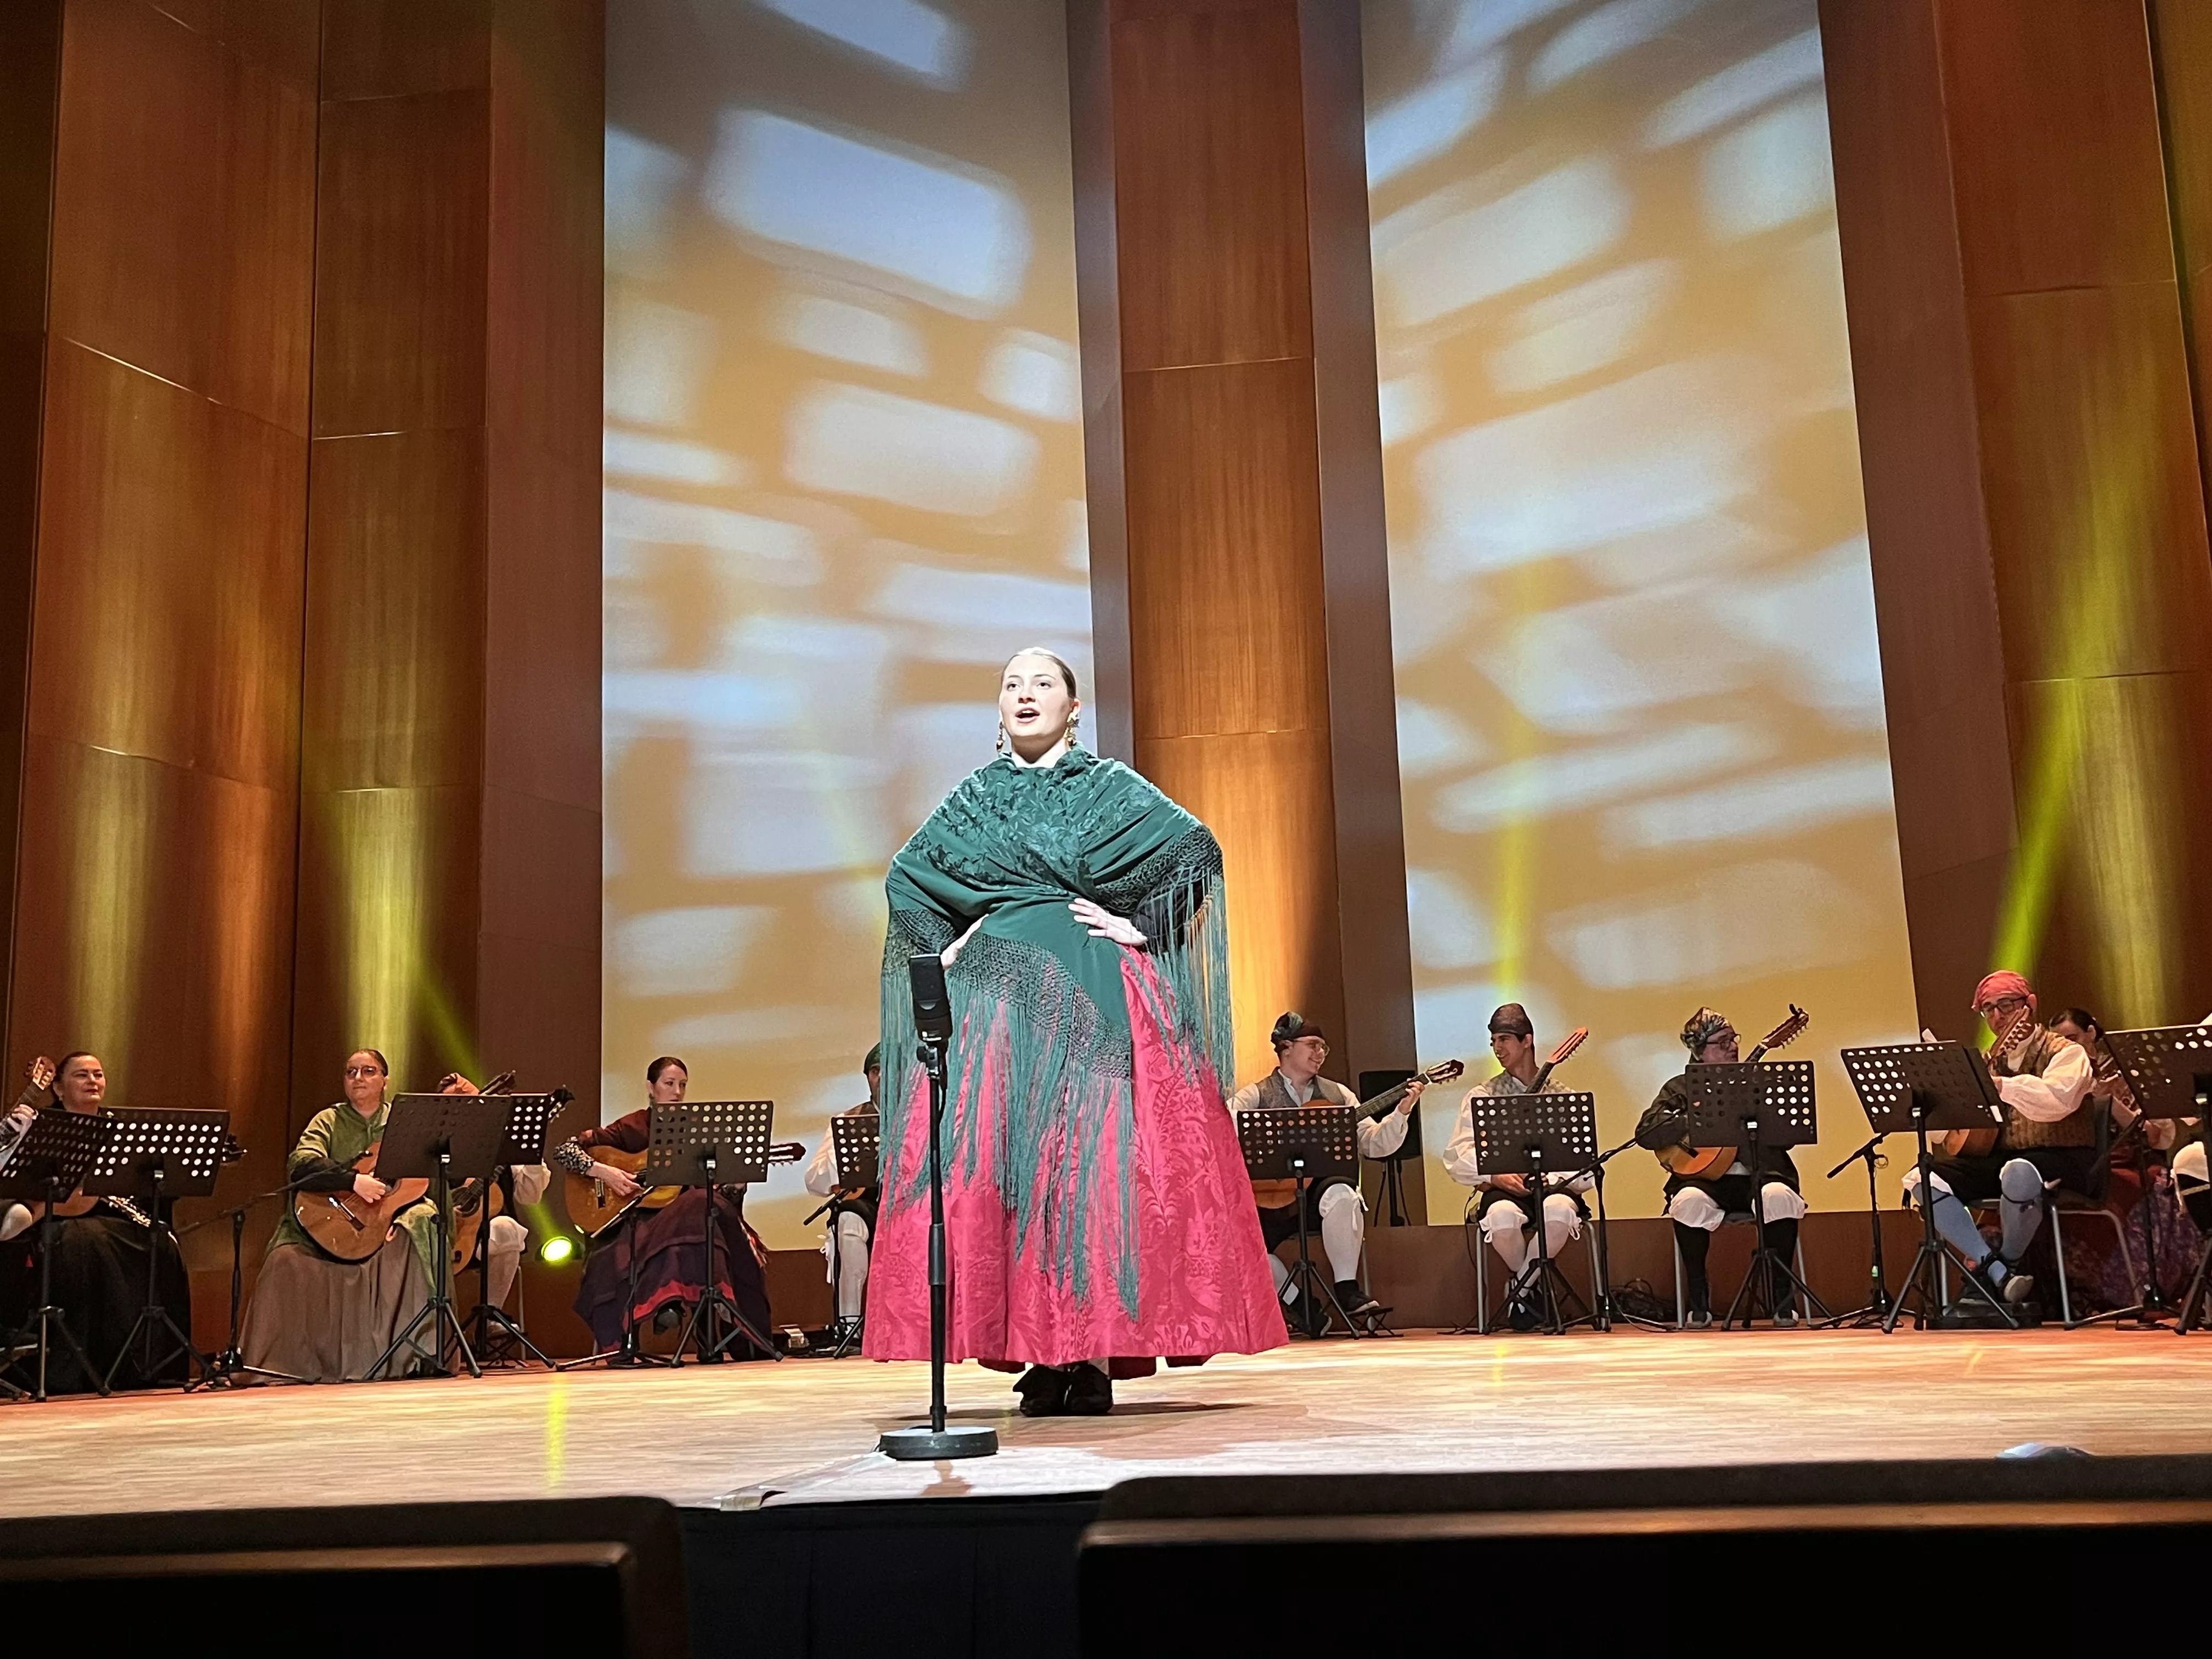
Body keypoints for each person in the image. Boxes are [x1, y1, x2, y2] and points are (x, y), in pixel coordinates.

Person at [867, 647, 1282, 1417]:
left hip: (1099, 994)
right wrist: (948, 948)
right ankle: (1038, 1348)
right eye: (1012, 685)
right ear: (999, 710)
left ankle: (1088, 1352)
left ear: (1074, 706)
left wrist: (1141, 926)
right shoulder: (974, 800)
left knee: (1093, 1171)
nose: (1026, 695)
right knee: (1013, 1175)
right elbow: (907, 879)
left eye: (1043, 684)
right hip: (998, 1008)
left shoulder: (1107, 787)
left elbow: (1196, 849)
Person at [244, 1051, 509, 1381]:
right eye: (351, 1072)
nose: (358, 1077)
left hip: (389, 1223)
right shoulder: (328, 1120)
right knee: (283, 1259)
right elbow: (301, 1164)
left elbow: (438, 1178)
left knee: (420, 1226)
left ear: (385, 1080)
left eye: (368, 1071)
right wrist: (353, 1181)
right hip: (330, 1222)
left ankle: (416, 1354)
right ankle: (279, 1365)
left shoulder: (406, 1121)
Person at [551, 1056, 772, 1357]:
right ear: (651, 1088)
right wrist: (607, 1173)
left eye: (683, 1085)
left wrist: (735, 1185)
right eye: (669, 1084)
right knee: (699, 1209)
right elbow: (563, 1150)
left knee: (703, 1207)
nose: (677, 1092)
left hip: (686, 1225)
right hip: (638, 1222)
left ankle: (725, 1325)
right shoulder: (634, 1125)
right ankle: (703, 1327)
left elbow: (711, 1192)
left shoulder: (696, 1130)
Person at [1899, 970, 2095, 1310]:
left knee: (2019, 1171)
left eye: (2005, 1005)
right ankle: (1998, 1271)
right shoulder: (1989, 1060)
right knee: (1922, 1177)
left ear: (2028, 1006)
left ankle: (1991, 1274)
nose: (1996, 1016)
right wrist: (1941, 1101)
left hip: (2065, 1157)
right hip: (2006, 1159)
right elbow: (1953, 1135)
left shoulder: (2066, 1052)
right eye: (1987, 1009)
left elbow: (2057, 1102)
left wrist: (2002, 1086)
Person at [0, 1053, 193, 1392]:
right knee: (82, 1243)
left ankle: (139, 1363)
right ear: (58, 1088)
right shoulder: (45, 1126)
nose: (93, 1081)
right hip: (58, 1217)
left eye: (98, 1074)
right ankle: (74, 1367)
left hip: (106, 1214)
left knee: (159, 1243)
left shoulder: (120, 1128)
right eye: (81, 1075)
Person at [1228, 1012, 1421, 1325]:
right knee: (1240, 1245)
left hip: (1317, 1199)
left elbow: (1374, 1144)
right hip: (1272, 1200)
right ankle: (1303, 1306)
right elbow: (1224, 1127)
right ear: (1286, 1048)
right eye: (1313, 1045)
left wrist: (1402, 1111)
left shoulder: (1339, 1095)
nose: (1320, 1054)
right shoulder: (1256, 1095)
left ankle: (1347, 1289)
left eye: (1323, 1048)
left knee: (1343, 1193)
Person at [1635, 1008, 1808, 1328]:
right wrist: (1698, 1120)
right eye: (1722, 1042)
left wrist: (1763, 1121)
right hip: (1706, 1181)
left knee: (1779, 1195)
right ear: (1699, 1052)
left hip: (1762, 1174)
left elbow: (1788, 1139)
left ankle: (1783, 1300)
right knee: (1687, 1202)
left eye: (1734, 1039)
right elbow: (1646, 1132)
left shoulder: (1759, 1083)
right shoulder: (1680, 1088)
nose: (1732, 1047)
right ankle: (1699, 1301)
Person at [1441, 1004, 1590, 1328]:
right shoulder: (1483, 1095)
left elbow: (1585, 1166)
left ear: (1528, 1041)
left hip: (1552, 1189)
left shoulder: (1562, 1096)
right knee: (1501, 1217)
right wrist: (1495, 1175)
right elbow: (1456, 1156)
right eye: (1493, 1041)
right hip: (1504, 1189)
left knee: (1561, 1211)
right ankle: (1533, 1289)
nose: (1497, 1048)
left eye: (1505, 1039)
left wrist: (1551, 1178)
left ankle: (1520, 1288)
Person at [803, 1044, 881, 1333]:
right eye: (875, 1071)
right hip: (868, 1206)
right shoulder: (848, 1120)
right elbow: (815, 1181)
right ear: (867, 1078)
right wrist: (844, 1152)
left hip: (911, 1207)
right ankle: (849, 1323)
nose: (882, 1078)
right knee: (847, 1220)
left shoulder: (919, 1117)